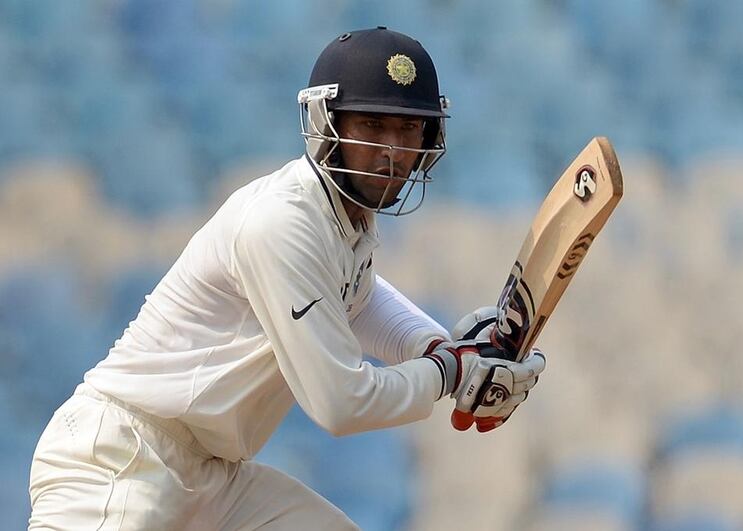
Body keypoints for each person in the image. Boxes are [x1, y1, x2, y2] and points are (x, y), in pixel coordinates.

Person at [28, 27, 546, 530]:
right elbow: (341, 403)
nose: (393, 150)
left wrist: (441, 346)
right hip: (121, 459)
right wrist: (448, 373)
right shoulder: (282, 221)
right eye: (372, 125)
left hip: (212, 477)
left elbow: (358, 301)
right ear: (327, 123)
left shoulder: (346, 221)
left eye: (408, 129)